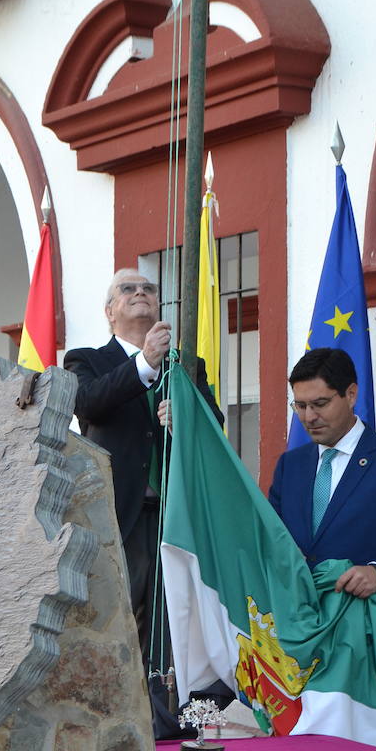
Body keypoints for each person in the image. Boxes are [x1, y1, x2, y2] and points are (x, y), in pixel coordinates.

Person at [269, 346, 376, 746]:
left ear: (351, 394)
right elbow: (272, 543)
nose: (308, 417)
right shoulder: (291, 466)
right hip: (298, 636)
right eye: (299, 406)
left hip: (361, 639)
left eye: (320, 404)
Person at [63, 269, 220, 685]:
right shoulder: (87, 359)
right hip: (118, 512)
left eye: (149, 288)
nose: (140, 293)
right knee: (121, 615)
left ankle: (165, 713)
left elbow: (215, 429)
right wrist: (145, 363)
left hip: (175, 511)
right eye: (127, 289)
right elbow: (89, 404)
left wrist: (187, 419)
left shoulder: (187, 365)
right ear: (109, 311)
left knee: (175, 618)